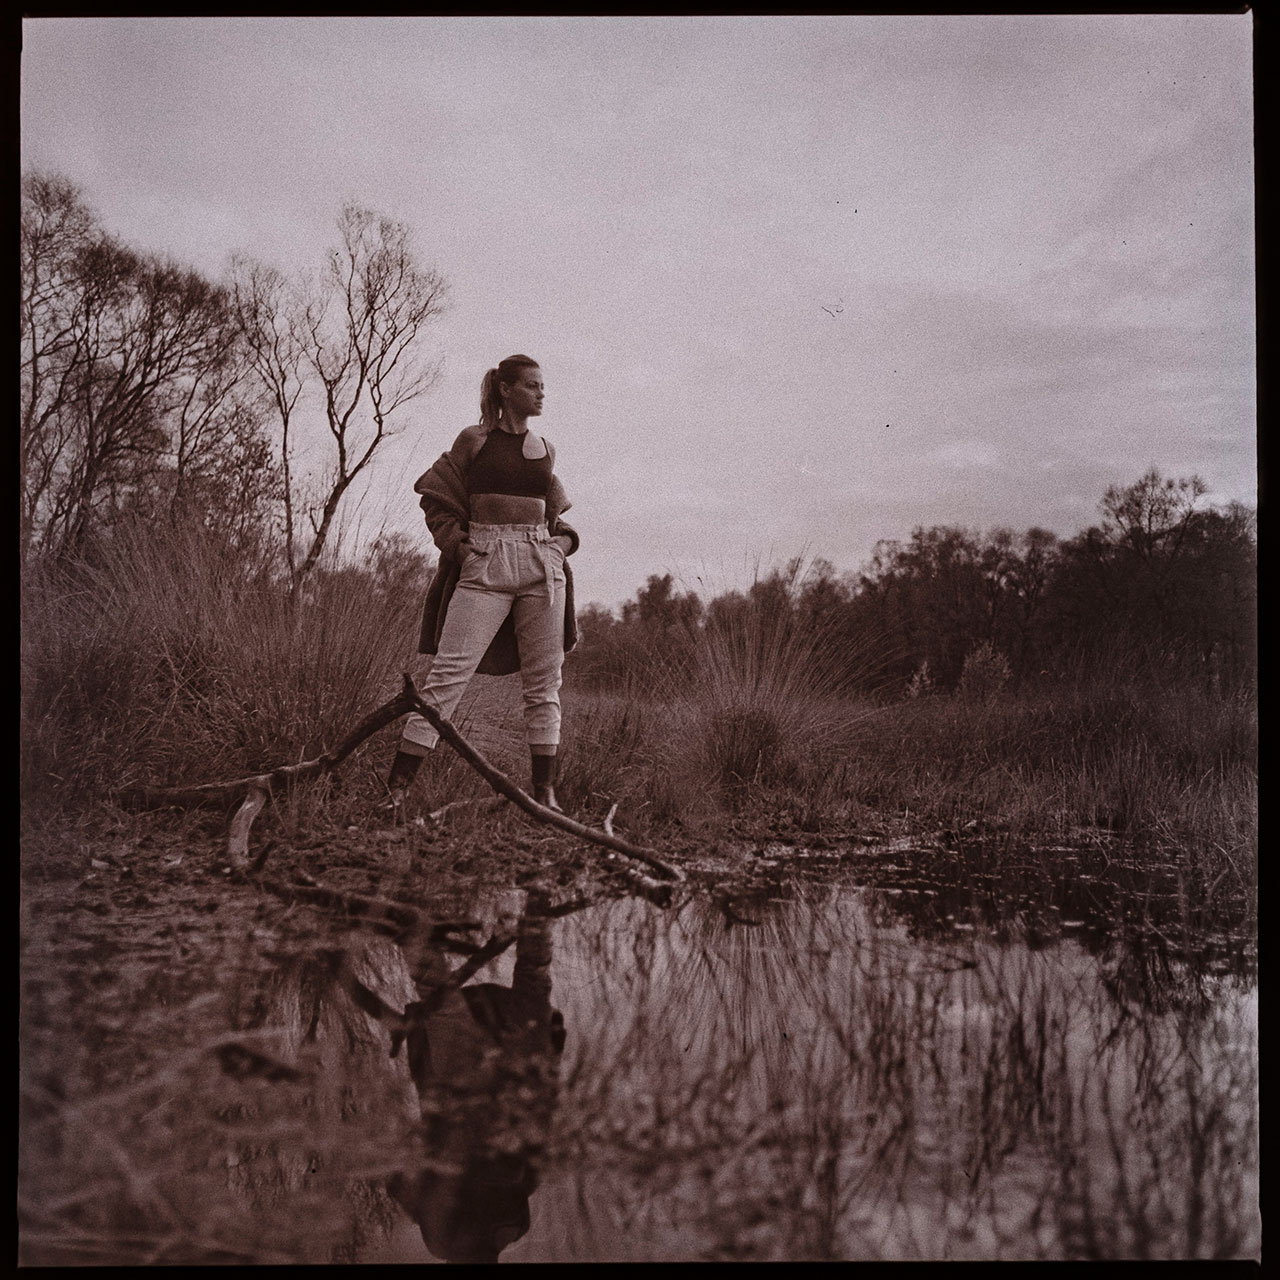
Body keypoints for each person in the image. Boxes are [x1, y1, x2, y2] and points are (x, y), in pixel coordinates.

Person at [385, 355, 579, 816]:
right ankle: (396, 791)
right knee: (446, 678)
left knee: (544, 684)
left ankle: (544, 795)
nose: (541, 393)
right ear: (506, 389)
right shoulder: (474, 441)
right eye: (532, 385)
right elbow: (436, 500)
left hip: (541, 567)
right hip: (485, 565)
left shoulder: (546, 450)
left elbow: (556, 518)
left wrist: (561, 546)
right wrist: (458, 546)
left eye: (543, 386)